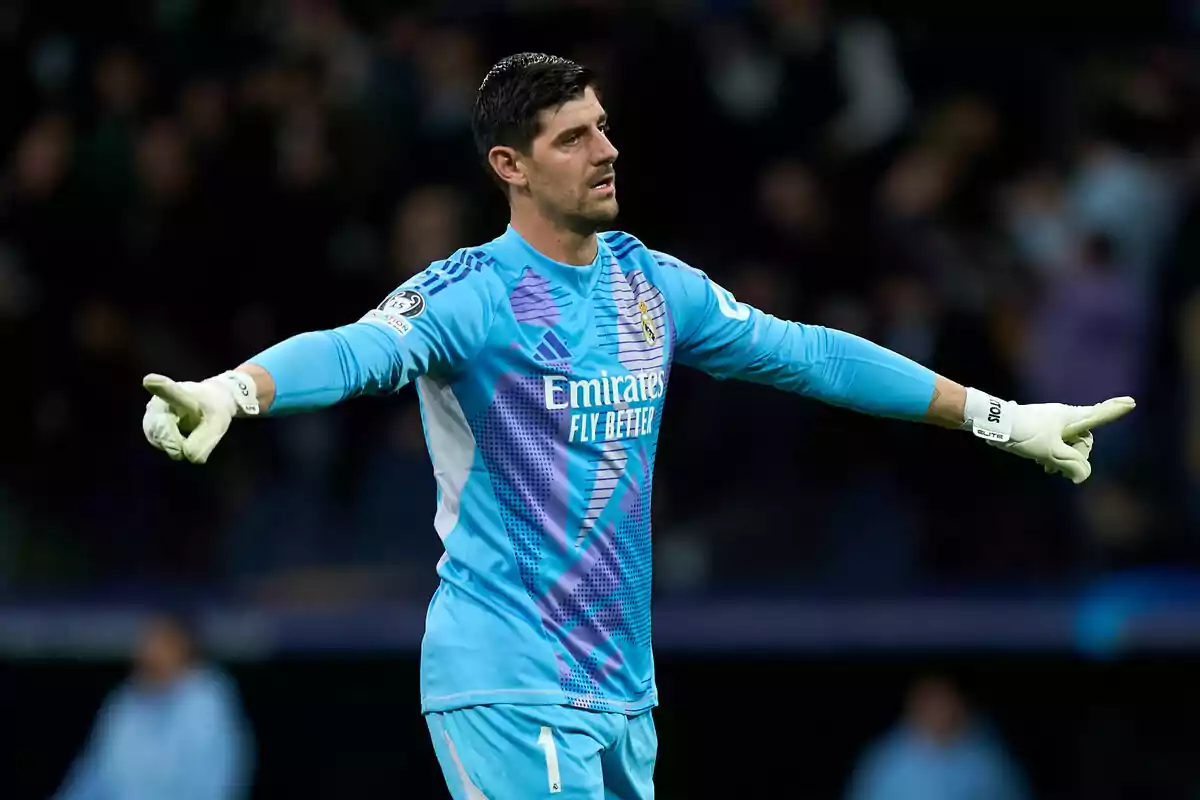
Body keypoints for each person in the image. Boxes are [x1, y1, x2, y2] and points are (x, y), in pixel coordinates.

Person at [140, 53, 1134, 798]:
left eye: (604, 127)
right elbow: (355, 350)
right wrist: (235, 390)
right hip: (508, 676)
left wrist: (1002, 417)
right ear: (510, 165)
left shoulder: (652, 287)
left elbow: (814, 354)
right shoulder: (472, 295)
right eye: (573, 137)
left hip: (622, 689)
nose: (607, 149)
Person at [55, 612, 253, 800]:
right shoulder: (125, 700)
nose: (147, 651)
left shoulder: (206, 698)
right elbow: (93, 775)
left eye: (158, 642)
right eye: (145, 642)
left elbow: (214, 782)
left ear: (183, 646)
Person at [845, 675, 1031, 800]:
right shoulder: (886, 761)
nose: (938, 711)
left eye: (944, 701)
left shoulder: (988, 761)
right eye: (930, 701)